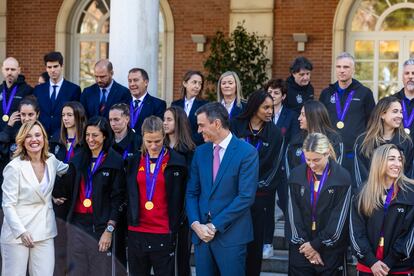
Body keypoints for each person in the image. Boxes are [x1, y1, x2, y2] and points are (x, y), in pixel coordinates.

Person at [186, 102, 259, 276]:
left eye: (202, 125)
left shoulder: (247, 152)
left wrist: (213, 226)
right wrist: (196, 225)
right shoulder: (200, 152)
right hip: (202, 237)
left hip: (231, 237)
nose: (198, 130)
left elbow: (245, 197)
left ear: (217, 123)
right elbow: (191, 192)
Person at [1, 120, 69, 276]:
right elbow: (7, 205)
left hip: (45, 231)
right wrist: (21, 232)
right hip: (17, 234)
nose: (34, 140)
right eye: (28, 136)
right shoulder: (14, 167)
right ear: (22, 141)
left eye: (38, 135)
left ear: (44, 138)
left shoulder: (51, 160)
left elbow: (67, 170)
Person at [125, 116, 188, 276]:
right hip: (137, 230)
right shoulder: (133, 162)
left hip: (164, 230)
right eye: (149, 141)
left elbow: (183, 195)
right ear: (142, 138)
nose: (153, 146)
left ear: (164, 136)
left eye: (158, 141)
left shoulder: (177, 161)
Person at [231, 89, 284, 275]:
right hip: (233, 195)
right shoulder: (235, 125)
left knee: (254, 246)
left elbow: (275, 168)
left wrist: (253, 188)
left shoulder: (275, 133)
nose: (271, 111)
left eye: (272, 108)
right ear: (254, 107)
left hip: (259, 198)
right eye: (266, 107)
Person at [64, 116, 126, 276]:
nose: (90, 139)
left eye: (95, 135)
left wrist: (109, 230)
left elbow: (118, 198)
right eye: (87, 135)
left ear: (105, 136)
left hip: (100, 225)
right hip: (77, 223)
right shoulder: (77, 158)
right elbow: (67, 188)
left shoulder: (115, 161)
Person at [287, 132, 351, 276]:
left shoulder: (342, 177)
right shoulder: (296, 175)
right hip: (301, 248)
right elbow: (293, 214)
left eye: (316, 160)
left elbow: (339, 219)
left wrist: (316, 245)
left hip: (329, 250)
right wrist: (307, 247)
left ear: (327, 153)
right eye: (307, 159)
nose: (311, 164)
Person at [350, 144, 414, 276]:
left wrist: (390, 261)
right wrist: (372, 262)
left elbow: (409, 235)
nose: (397, 164)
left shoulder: (410, 193)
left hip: (399, 268)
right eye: (391, 159)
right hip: (368, 267)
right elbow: (356, 233)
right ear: (379, 162)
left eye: (400, 159)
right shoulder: (362, 193)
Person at [319, 52, 376, 174]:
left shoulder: (365, 93)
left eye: (346, 67)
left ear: (353, 69)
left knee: (355, 188)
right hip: (331, 151)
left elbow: (372, 122)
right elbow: (321, 121)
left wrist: (365, 146)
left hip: (355, 152)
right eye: (338, 67)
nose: (342, 70)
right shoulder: (326, 93)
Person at [49, 101, 86, 276]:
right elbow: (47, 170)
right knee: (58, 246)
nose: (65, 118)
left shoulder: (86, 143)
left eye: (69, 115)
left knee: (75, 248)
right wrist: (52, 195)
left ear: (78, 117)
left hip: (78, 200)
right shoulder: (55, 140)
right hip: (58, 202)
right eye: (63, 115)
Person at [354, 96, 413, 188]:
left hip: (398, 196)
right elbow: (360, 174)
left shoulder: (406, 141)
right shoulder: (364, 141)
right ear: (382, 114)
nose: (400, 116)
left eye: (401, 112)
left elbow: (408, 174)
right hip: (370, 195)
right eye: (395, 111)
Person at [163, 106, 195, 276]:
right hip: (160, 209)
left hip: (182, 212)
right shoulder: (158, 147)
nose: (164, 123)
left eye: (169, 119)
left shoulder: (190, 151)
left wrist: (185, 212)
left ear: (179, 122)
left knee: (182, 259)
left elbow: (191, 184)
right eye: (164, 119)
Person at [285, 100, 343, 178]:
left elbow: (337, 170)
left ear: (313, 117)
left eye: (303, 115)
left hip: (325, 187)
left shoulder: (333, 139)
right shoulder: (296, 140)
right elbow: (289, 169)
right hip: (300, 188)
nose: (299, 118)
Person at [34, 51, 81, 140]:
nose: (52, 70)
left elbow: (76, 116)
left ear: (62, 66)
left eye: (55, 66)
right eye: (49, 67)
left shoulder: (74, 89)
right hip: (42, 137)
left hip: (63, 138)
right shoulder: (38, 90)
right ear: (46, 68)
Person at [171, 70, 208, 145]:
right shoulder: (175, 104)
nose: (197, 86)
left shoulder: (205, 105)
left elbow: (205, 128)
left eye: (200, 84)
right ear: (185, 83)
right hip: (177, 147)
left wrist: (189, 142)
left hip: (196, 146)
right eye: (194, 82)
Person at [127, 67, 166, 135]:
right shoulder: (122, 103)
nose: (132, 84)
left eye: (135, 80)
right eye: (130, 81)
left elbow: (157, 130)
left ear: (146, 82)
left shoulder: (158, 105)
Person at [0, 57, 33, 132]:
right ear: (2, 70)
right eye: (7, 69)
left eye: (13, 69)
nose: (9, 72)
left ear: (19, 70)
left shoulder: (27, 90)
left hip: (18, 138)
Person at [394, 58, 414, 140]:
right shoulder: (391, 100)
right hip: (397, 150)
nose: (410, 76)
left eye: (413, 73)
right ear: (402, 77)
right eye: (407, 73)